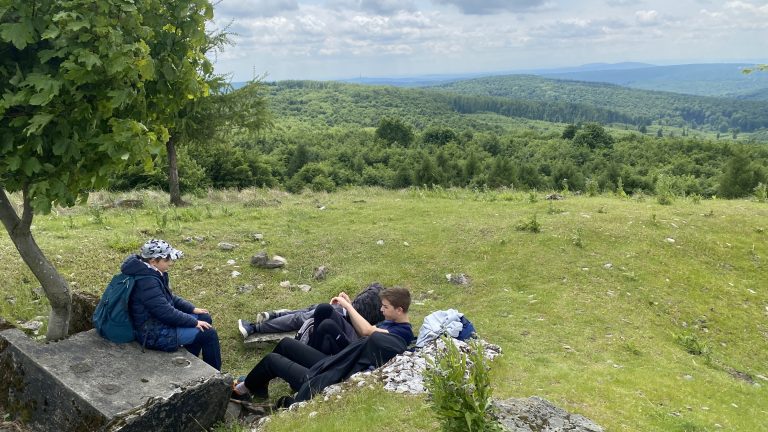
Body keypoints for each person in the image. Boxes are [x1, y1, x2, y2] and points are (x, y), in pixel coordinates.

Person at [231, 287, 413, 403]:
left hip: (331, 377)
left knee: (271, 360)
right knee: (286, 344)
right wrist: (349, 306)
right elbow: (363, 332)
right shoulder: (390, 324)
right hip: (339, 363)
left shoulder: (402, 333)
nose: (381, 310)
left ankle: (241, 390)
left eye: (385, 307)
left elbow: (367, 331)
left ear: (399, 310)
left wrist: (348, 307)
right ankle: (259, 385)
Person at [123, 239, 222, 370]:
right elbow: (165, 312)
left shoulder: (150, 272)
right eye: (167, 260)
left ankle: (189, 358)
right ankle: (215, 374)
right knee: (208, 334)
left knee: (204, 317)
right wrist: (193, 322)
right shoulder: (147, 282)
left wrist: (192, 309)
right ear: (153, 261)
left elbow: (168, 297)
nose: (170, 263)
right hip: (153, 333)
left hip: (158, 322)